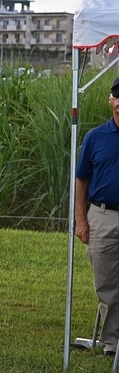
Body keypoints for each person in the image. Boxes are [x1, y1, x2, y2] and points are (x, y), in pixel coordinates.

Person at [75, 76, 119, 358]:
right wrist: (81, 220)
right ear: (111, 100)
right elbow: (81, 180)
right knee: (107, 285)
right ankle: (113, 345)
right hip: (103, 217)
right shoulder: (95, 137)